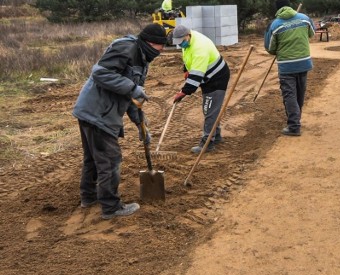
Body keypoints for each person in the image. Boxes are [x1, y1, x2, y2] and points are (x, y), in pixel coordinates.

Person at [72, 23, 167, 220]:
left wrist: (141, 124)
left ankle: (89, 197)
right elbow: (100, 72)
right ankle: (111, 207)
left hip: (94, 111)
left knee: (93, 158)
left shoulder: (142, 58)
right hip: (97, 112)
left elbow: (133, 98)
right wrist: (132, 88)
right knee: (110, 160)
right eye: (160, 46)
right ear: (150, 43)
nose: (162, 51)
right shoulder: (127, 47)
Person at [171, 25, 231, 153]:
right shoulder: (188, 41)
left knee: (209, 109)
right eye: (178, 43)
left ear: (188, 35)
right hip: (208, 77)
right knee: (210, 109)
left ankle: (207, 144)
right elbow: (188, 56)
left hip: (216, 78)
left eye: (182, 42)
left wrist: (183, 92)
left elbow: (196, 76)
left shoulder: (199, 47)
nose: (181, 45)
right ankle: (216, 135)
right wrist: (186, 69)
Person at [264, 0, 315, 136]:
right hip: (304, 63)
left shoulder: (274, 25)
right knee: (299, 93)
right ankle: (296, 120)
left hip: (286, 66)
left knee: (289, 95)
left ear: (277, 9)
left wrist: (278, 49)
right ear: (289, 5)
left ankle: (294, 126)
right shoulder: (304, 18)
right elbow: (312, 33)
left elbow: (269, 48)